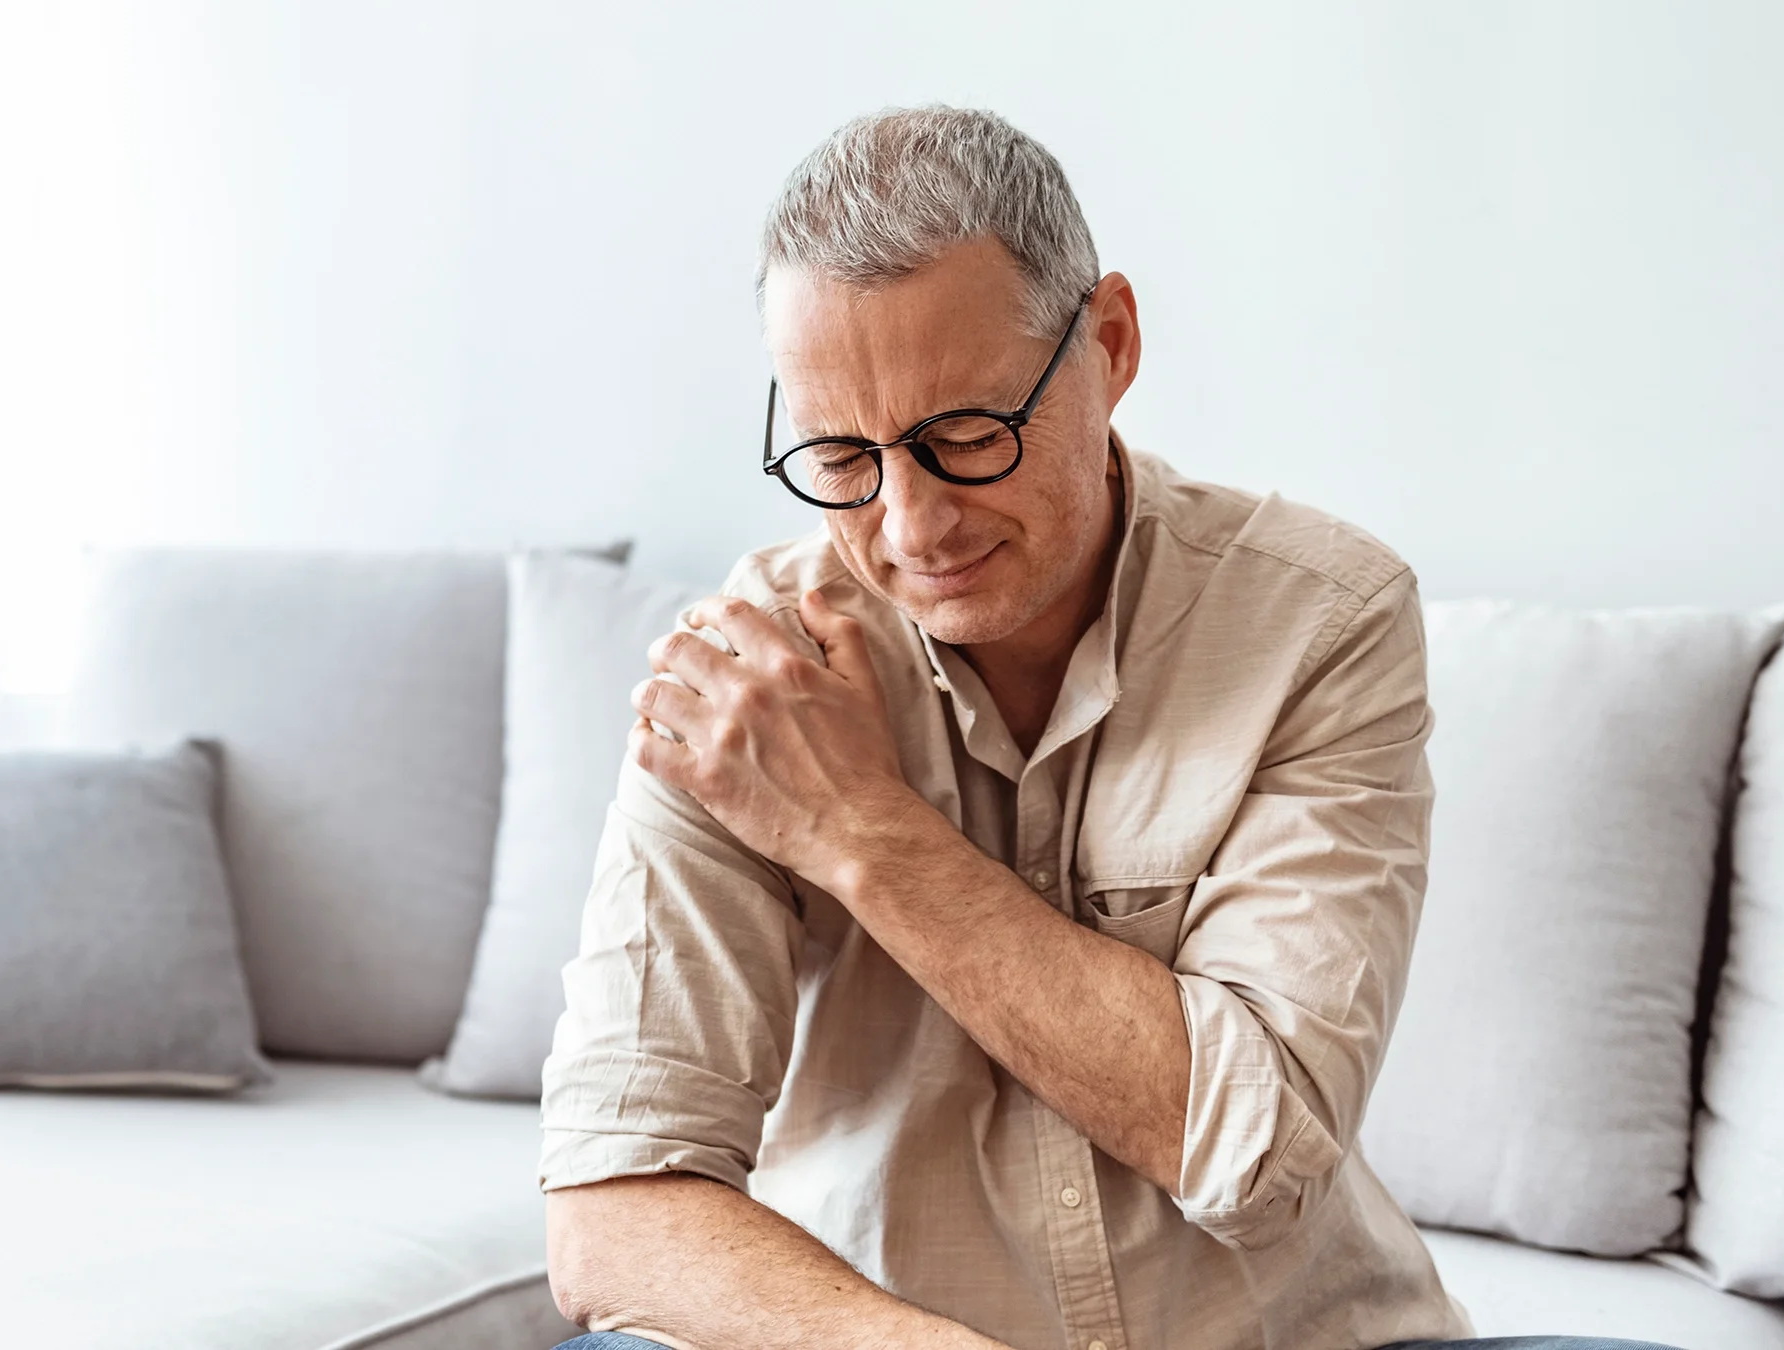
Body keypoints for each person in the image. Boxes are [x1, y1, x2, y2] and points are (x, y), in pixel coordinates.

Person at [535, 106, 1681, 1350]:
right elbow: (613, 1211)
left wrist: (862, 829)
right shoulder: (747, 682)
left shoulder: (1323, 618)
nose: (912, 528)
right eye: (842, 458)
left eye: (965, 435)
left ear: (1111, 344)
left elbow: (1262, 1151)